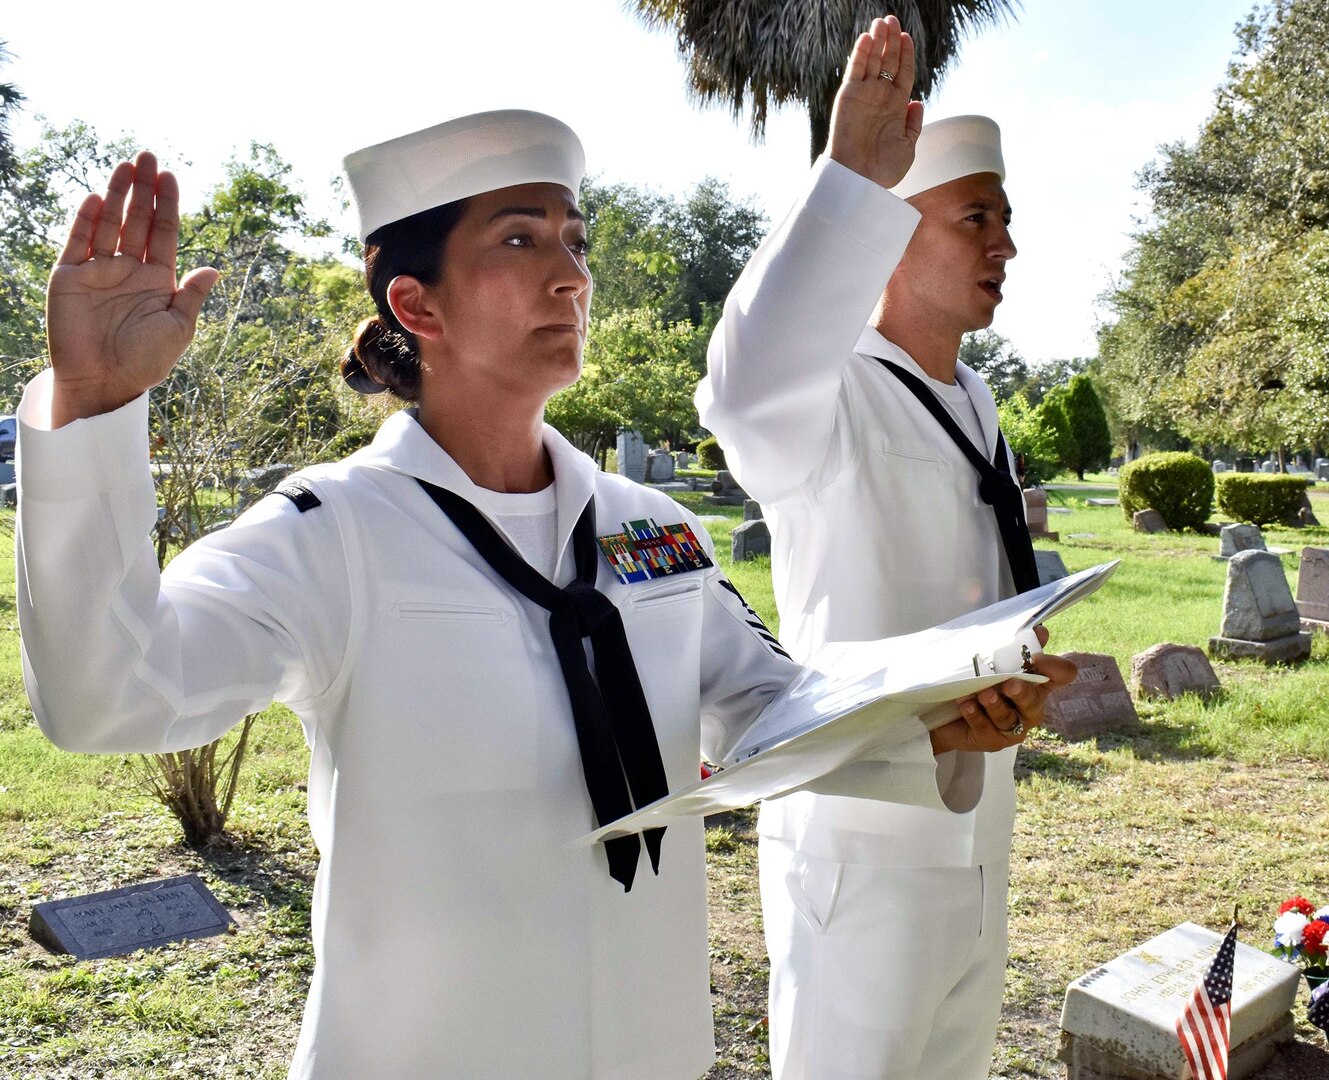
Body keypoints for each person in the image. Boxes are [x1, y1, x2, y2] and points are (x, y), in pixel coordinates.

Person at [17, 109, 811, 1080]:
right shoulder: (332, 532)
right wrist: (94, 404)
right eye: (520, 237)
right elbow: (110, 694)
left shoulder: (649, 527)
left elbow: (770, 707)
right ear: (418, 305)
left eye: (573, 239)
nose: (572, 274)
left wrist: (937, 703)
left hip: (655, 1051)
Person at [696, 16, 1078, 1080]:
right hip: (860, 847)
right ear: (894, 232)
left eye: (1004, 219)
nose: (1005, 244)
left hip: (977, 832)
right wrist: (848, 184)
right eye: (977, 218)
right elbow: (742, 393)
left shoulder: (979, 400)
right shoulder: (832, 392)